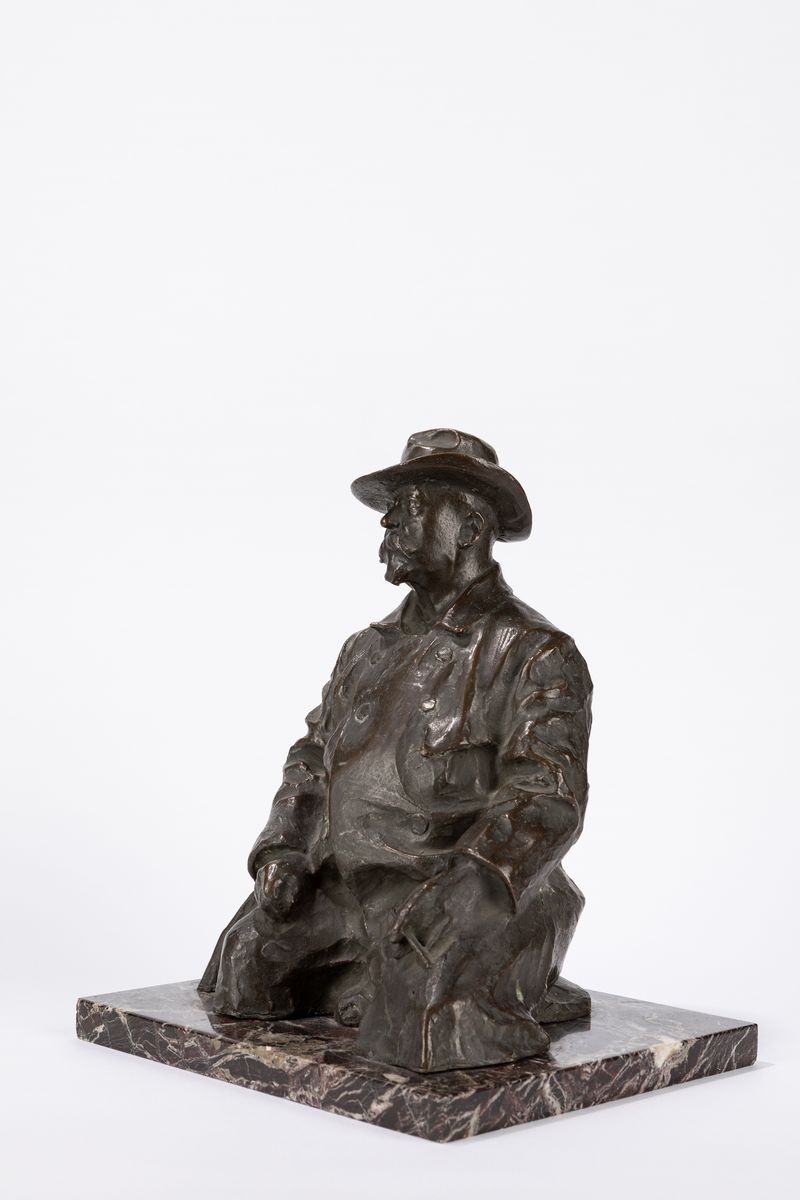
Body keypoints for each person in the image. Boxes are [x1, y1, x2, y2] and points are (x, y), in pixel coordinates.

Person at [199, 429, 593, 1072]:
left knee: (420, 1026)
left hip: (462, 886)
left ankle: (503, 979)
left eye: (409, 507)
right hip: (347, 888)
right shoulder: (365, 647)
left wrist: (471, 885)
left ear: (468, 526)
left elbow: (546, 796)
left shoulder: (532, 650)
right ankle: (368, 977)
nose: (387, 522)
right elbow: (311, 758)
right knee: (244, 971)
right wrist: (284, 849)